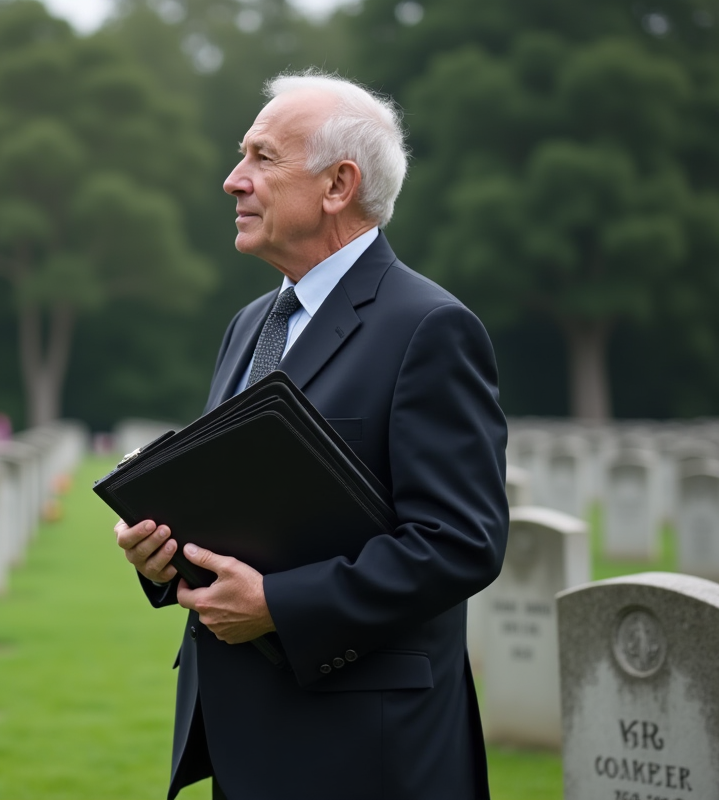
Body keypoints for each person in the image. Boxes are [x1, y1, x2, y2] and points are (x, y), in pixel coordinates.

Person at [114, 70, 508, 800]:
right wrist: (164, 556)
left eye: (263, 158)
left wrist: (280, 606)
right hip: (241, 734)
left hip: (364, 748)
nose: (234, 181)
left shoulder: (428, 328)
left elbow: (461, 541)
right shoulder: (249, 324)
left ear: (338, 185)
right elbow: (244, 508)